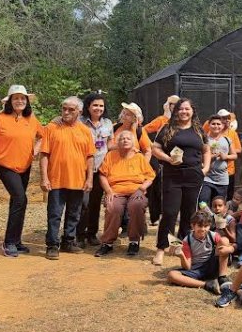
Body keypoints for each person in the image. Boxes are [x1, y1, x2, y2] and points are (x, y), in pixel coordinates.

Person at [151, 98, 211, 266]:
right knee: (170, 212)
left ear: (192, 111)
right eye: (180, 109)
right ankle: (161, 249)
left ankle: (182, 247)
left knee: (188, 212)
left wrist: (205, 168)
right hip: (173, 175)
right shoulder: (168, 128)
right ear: (176, 111)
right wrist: (168, 159)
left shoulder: (199, 130)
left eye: (187, 109)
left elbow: (206, 150)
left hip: (193, 176)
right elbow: (155, 149)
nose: (184, 112)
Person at [0, 85, 44, 257]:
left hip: (25, 166)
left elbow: (43, 135)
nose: (20, 101)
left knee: (19, 201)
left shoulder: (31, 118)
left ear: (27, 102)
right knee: (20, 198)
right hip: (5, 165)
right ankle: (9, 242)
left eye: (23, 98)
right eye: (16, 98)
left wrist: (36, 148)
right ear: (10, 101)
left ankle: (16, 241)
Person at [40, 96, 95, 260]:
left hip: (78, 180)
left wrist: (89, 179)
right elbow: (44, 155)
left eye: (71, 109)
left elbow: (90, 157)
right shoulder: (51, 128)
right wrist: (44, 178)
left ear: (79, 111)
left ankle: (68, 241)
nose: (66, 112)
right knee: (55, 214)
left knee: (74, 214)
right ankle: (52, 245)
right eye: (64, 108)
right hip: (56, 180)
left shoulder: (85, 131)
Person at [94, 130, 156, 257]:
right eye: (122, 139)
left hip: (136, 190)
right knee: (113, 207)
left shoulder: (139, 157)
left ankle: (134, 241)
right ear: (117, 142)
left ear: (133, 142)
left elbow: (150, 176)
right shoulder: (111, 155)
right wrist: (109, 191)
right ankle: (107, 243)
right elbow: (102, 175)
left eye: (128, 138)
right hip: (116, 190)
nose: (125, 140)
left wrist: (142, 188)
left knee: (137, 204)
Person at [76, 92, 114, 247]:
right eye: (95, 105)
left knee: (95, 203)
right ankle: (79, 234)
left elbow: (109, 143)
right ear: (88, 106)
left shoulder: (108, 123)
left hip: (100, 169)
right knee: (82, 203)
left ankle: (92, 234)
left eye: (101, 106)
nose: (98, 108)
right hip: (82, 169)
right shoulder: (79, 122)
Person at [166, 212, 232, 294]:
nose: (203, 229)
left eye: (206, 226)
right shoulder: (187, 241)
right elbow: (187, 266)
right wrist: (181, 255)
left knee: (225, 240)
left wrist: (230, 250)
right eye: (200, 226)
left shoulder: (213, 235)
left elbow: (230, 246)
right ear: (193, 226)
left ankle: (222, 277)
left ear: (209, 226)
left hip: (213, 265)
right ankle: (207, 285)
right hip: (197, 269)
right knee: (172, 275)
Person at [143, 95, 180, 228]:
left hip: (177, 159)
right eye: (172, 104)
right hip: (160, 159)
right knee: (156, 187)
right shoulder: (161, 120)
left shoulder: (184, 122)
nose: (175, 107)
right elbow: (144, 130)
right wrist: (151, 145)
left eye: (177, 104)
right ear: (168, 105)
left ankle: (172, 215)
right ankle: (154, 216)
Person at [199, 115, 237, 205]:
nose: (216, 126)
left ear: (223, 126)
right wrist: (210, 157)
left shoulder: (227, 140)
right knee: (202, 202)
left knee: (219, 205)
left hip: (222, 179)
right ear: (209, 125)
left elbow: (234, 155)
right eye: (213, 124)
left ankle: (214, 219)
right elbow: (198, 158)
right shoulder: (204, 140)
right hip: (207, 178)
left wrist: (225, 157)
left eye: (218, 124)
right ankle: (205, 218)